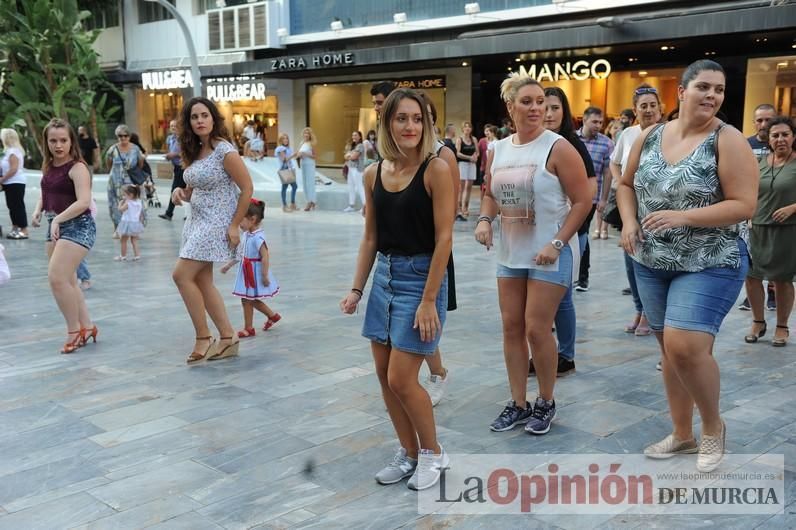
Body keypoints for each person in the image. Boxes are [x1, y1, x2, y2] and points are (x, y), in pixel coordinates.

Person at [617, 60, 757, 472]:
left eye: (719, 90)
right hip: (651, 259)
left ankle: (713, 427)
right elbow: (626, 185)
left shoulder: (727, 140)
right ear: (681, 92)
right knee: (670, 352)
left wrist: (684, 216)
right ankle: (682, 433)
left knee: (686, 346)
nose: (712, 96)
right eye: (703, 87)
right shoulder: (651, 135)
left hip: (711, 260)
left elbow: (744, 205)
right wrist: (627, 221)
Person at [340, 88, 454, 491]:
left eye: (418, 118)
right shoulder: (374, 173)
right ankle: (408, 452)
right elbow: (370, 237)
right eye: (402, 118)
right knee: (384, 376)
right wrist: (357, 289)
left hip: (419, 280)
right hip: (384, 280)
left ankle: (433, 453)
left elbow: (444, 240)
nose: (411, 126)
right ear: (387, 122)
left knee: (403, 378)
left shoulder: (437, 169)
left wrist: (428, 300)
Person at [475, 74, 591, 435]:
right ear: (510, 106)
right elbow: (491, 193)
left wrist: (556, 242)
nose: (537, 108)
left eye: (541, 101)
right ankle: (518, 403)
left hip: (550, 254)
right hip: (512, 253)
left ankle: (545, 400)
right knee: (511, 327)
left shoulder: (558, 147)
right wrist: (483, 220)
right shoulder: (499, 149)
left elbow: (584, 200)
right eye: (527, 101)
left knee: (536, 329)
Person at [170, 96, 254, 364]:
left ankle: (204, 337)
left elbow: (247, 189)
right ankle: (228, 337)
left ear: (213, 118)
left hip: (217, 222)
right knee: (202, 280)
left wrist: (234, 225)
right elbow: (192, 189)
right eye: (194, 117)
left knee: (181, 275)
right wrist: (179, 193)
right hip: (196, 221)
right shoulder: (196, 150)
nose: (199, 121)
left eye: (204, 115)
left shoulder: (224, 150)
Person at [539, 87, 596, 377]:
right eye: (543, 106)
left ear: (564, 112)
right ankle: (545, 353)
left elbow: (590, 188)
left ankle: (566, 355)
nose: (548, 113)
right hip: (538, 236)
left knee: (562, 296)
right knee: (543, 299)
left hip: (572, 232)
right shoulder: (537, 143)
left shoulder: (571, 144)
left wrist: (574, 220)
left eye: (554, 108)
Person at [31, 118, 98, 353]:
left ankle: (74, 331)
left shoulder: (77, 167)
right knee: (68, 280)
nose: (58, 145)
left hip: (78, 226)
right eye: (53, 140)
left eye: (63, 140)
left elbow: (84, 202)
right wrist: (39, 210)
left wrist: (58, 219)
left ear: (71, 142)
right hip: (54, 226)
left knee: (57, 279)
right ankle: (87, 327)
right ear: (46, 142)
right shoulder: (48, 167)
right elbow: (46, 191)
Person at [607, 84, 662, 339]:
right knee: (631, 257)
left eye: (653, 105)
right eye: (644, 106)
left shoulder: (668, 132)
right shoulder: (627, 134)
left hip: (658, 207)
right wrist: (621, 183)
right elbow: (614, 163)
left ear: (660, 107)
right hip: (631, 205)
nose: (649, 109)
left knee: (651, 258)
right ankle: (640, 309)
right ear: (635, 110)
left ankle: (652, 313)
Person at [744, 116, 796, 347]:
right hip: (757, 228)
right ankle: (758, 321)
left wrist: (792, 208)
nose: (780, 139)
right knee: (752, 277)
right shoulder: (760, 163)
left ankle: (782, 326)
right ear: (769, 139)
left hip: (787, 231)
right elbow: (748, 192)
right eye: (775, 135)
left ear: (793, 137)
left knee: (782, 280)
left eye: (785, 134)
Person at [221, 198, 281, 338]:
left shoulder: (258, 237)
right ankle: (269, 317)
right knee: (247, 299)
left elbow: (265, 256)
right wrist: (229, 265)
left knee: (248, 299)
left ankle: (251, 327)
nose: (238, 223)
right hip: (246, 270)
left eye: (241, 220)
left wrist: (265, 275)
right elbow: (241, 253)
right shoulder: (247, 235)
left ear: (252, 219)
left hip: (254, 271)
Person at [738, 103, 778, 312]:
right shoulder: (745, 145)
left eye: (768, 120)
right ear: (754, 122)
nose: (764, 124)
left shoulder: (784, 146)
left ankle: (773, 293)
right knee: (752, 254)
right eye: (760, 120)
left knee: (773, 255)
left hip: (776, 208)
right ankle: (752, 297)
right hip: (750, 209)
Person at [576, 106, 615, 288]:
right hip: (568, 198)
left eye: (601, 122)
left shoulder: (606, 143)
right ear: (584, 120)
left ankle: (583, 275)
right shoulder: (571, 139)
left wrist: (604, 198)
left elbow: (607, 173)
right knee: (573, 233)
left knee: (581, 232)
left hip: (591, 199)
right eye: (594, 122)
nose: (598, 125)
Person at [106, 124, 143, 235]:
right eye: (120, 136)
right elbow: (108, 163)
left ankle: (131, 229)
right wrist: (115, 172)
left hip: (130, 182)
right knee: (114, 205)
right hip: (115, 181)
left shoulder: (135, 149)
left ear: (129, 136)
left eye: (125, 135)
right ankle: (117, 228)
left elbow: (140, 163)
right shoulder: (113, 149)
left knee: (130, 205)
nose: (123, 138)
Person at [0, 128, 29, 239]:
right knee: (12, 206)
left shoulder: (13, 152)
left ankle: (24, 230)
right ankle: (15, 227)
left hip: (15, 182)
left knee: (17, 206)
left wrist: (2, 180)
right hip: (9, 182)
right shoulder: (8, 151)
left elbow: (13, 169)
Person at [160, 120, 186, 221]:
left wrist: (174, 155)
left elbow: (186, 153)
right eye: (171, 126)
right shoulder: (170, 139)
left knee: (176, 189)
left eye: (175, 126)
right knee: (179, 190)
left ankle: (169, 213)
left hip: (183, 167)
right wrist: (168, 156)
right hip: (176, 167)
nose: (173, 128)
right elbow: (169, 150)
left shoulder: (183, 139)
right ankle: (171, 213)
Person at [114, 184, 144, 261]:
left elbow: (120, 209)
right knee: (134, 240)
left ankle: (123, 256)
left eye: (124, 195)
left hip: (127, 223)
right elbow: (140, 214)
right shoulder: (139, 202)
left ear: (130, 195)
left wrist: (120, 203)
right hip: (135, 223)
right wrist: (140, 222)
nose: (123, 197)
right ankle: (137, 255)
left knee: (123, 240)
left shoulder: (128, 203)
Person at [274, 133, 298, 213]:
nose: (286, 140)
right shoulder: (281, 148)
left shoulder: (287, 148)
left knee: (294, 186)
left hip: (289, 168)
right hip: (285, 169)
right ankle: (285, 205)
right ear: (280, 140)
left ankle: (292, 204)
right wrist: (293, 155)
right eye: (284, 139)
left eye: (287, 138)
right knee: (285, 187)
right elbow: (284, 160)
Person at [343, 131, 366, 213]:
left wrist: (350, 155)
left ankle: (365, 206)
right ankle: (351, 205)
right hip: (350, 168)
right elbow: (345, 156)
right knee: (351, 187)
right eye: (353, 135)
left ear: (360, 137)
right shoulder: (353, 146)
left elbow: (354, 157)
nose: (354, 136)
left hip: (357, 169)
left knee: (360, 187)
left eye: (356, 135)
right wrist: (350, 155)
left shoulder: (360, 146)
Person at [297, 127, 318, 211]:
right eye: (305, 133)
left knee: (310, 183)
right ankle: (310, 201)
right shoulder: (302, 143)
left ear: (310, 135)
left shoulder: (312, 144)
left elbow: (315, 156)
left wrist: (306, 154)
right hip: (303, 164)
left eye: (308, 133)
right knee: (305, 183)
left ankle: (310, 201)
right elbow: (298, 152)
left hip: (310, 164)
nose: (306, 135)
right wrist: (298, 155)